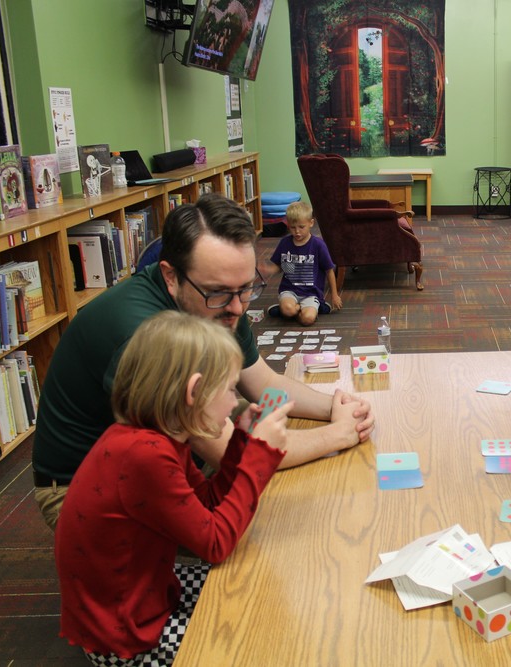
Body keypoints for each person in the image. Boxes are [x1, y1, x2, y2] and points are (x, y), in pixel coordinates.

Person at [33, 194, 374, 530]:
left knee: (272, 448)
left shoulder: (216, 299)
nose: (238, 308)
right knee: (262, 533)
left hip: (175, 447)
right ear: (170, 276)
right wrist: (337, 435)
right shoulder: (143, 335)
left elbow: (262, 385)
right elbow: (229, 453)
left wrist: (337, 407)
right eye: (221, 292)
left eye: (246, 289)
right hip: (83, 489)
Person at [56, 311, 291, 666]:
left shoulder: (159, 439)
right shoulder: (144, 456)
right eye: (229, 389)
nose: (233, 402)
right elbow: (215, 544)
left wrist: (241, 443)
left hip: (149, 585)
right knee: (249, 644)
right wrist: (260, 458)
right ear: (194, 391)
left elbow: (209, 504)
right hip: (126, 630)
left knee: (255, 590)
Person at [261, 200, 342, 325]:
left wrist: (335, 295)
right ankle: (289, 309)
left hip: (311, 293)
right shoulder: (285, 243)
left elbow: (329, 270)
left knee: (307, 319)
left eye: (301, 227)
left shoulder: (318, 245)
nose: (297, 232)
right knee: (289, 310)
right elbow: (279, 266)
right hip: (289, 291)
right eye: (293, 227)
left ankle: (300, 309)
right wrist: (268, 270)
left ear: (311, 223)